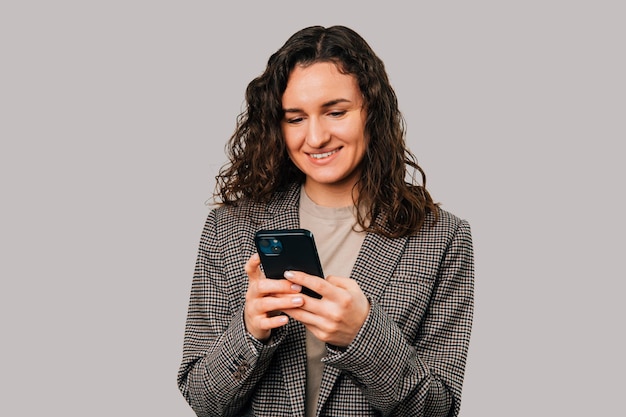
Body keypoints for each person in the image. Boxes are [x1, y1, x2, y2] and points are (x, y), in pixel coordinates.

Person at [177, 25, 474, 417]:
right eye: (295, 118)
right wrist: (249, 330)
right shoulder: (228, 229)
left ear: (372, 111)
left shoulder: (442, 237)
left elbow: (438, 409)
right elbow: (203, 400)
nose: (315, 137)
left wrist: (364, 335)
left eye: (335, 112)